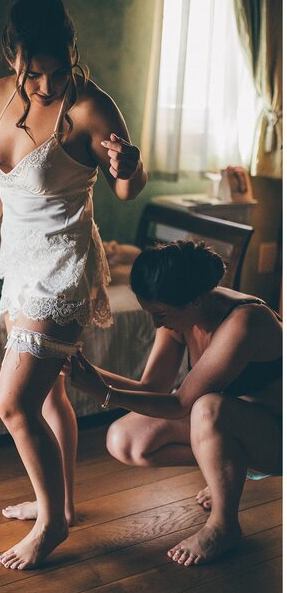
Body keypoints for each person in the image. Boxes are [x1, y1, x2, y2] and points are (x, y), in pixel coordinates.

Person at [0, 0, 147, 570]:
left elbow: (126, 187)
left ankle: (51, 525)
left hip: (63, 268)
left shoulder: (91, 108)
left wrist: (126, 167)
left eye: (57, 70)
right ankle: (59, 506)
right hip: (17, 262)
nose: (45, 86)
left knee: (13, 404)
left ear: (71, 52)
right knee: (51, 392)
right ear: (14, 57)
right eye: (33, 73)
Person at [69, 240, 282, 565]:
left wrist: (104, 394)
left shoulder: (245, 321)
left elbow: (181, 403)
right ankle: (226, 467)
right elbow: (153, 387)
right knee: (125, 440)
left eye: (160, 314)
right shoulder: (182, 315)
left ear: (195, 300)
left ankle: (224, 526)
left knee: (208, 407)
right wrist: (87, 372)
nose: (155, 324)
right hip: (230, 427)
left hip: (275, 435)